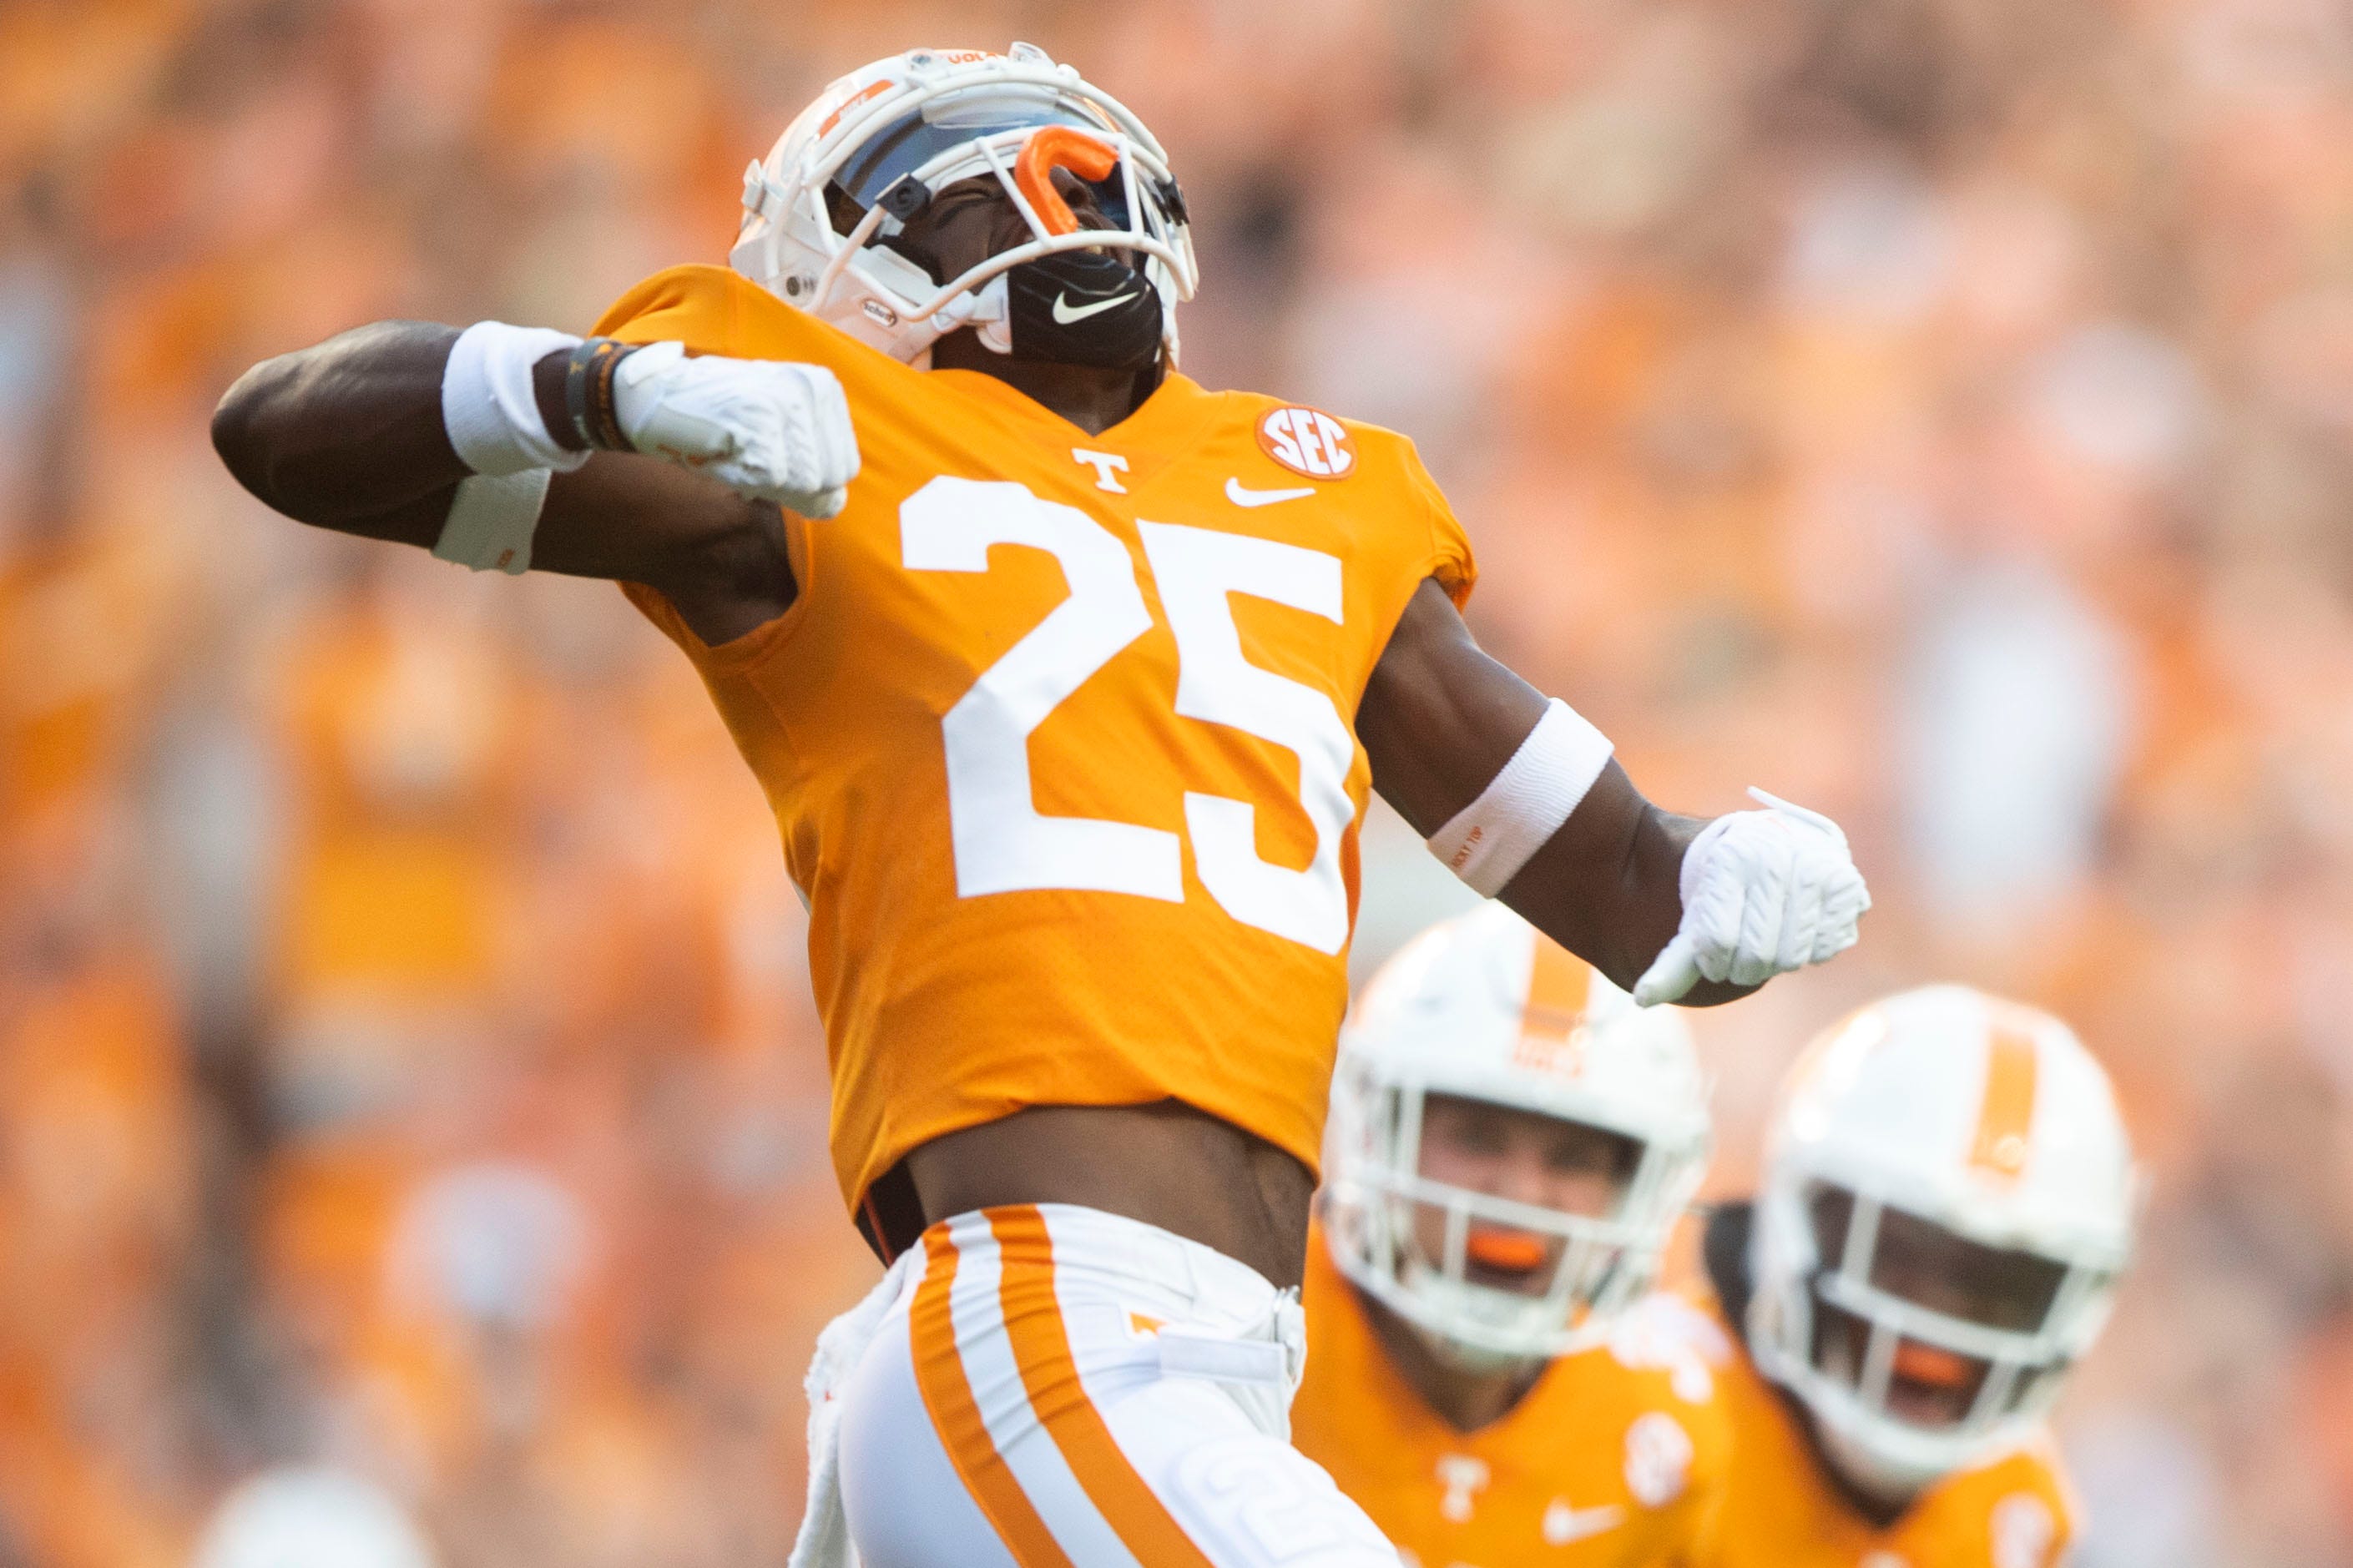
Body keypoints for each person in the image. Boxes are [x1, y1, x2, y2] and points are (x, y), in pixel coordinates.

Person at [209, 43, 1871, 1567]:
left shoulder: (1315, 487)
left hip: (1194, 1362)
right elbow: (282, 430)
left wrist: (1717, 877)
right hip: (1048, 1324)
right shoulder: (806, 432)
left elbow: (1624, 888)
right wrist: (593, 391)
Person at [1295, 904, 1731, 1565]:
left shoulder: (1665, 1434)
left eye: (1573, 1159)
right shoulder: (1252, 1333)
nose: (1522, 1194)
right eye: (1475, 1138)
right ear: (1377, 1132)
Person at [1695, 986, 2137, 1568]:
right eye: (1896, 1256)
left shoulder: (2015, 1507)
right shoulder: (1649, 1418)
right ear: (1803, 1221)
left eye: (1995, 1287)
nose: (1935, 1325)